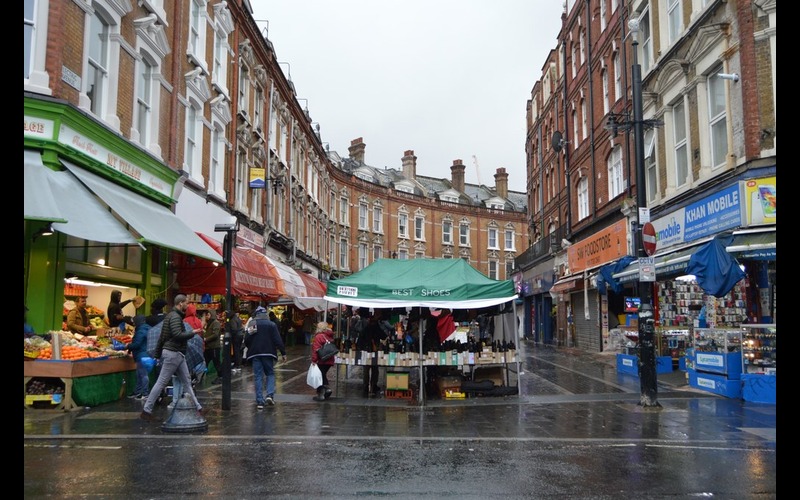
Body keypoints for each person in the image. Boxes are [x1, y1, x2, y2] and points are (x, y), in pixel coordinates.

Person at [140, 294, 206, 421]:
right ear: (180, 303)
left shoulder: (170, 316)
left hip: (177, 353)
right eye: (186, 303)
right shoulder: (175, 317)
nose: (187, 305)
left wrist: (158, 355)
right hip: (174, 353)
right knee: (162, 382)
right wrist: (192, 332)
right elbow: (177, 334)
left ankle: (199, 408)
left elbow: (162, 338)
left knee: (186, 381)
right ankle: (146, 410)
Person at [244, 307, 287, 409]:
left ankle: (259, 401)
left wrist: (252, 347)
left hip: (255, 353)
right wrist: (283, 353)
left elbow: (247, 339)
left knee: (258, 376)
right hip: (269, 353)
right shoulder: (271, 325)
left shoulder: (253, 324)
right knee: (270, 374)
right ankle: (270, 395)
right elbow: (278, 340)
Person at [358, 310, 388, 397]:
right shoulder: (377, 328)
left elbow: (360, 340)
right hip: (374, 351)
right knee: (374, 369)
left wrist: (361, 348)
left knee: (366, 370)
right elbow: (384, 336)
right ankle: (373, 386)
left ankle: (365, 386)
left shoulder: (365, 329)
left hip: (366, 351)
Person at [126, 315, 151, 400]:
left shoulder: (141, 331)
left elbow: (137, 344)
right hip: (147, 354)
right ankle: (137, 392)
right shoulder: (148, 328)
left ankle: (145, 393)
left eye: (134, 322)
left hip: (142, 355)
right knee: (139, 374)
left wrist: (127, 346)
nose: (133, 323)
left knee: (143, 375)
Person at [310, 321, 336, 401]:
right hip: (329, 359)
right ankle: (323, 392)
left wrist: (314, 360)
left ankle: (325, 391)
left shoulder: (319, 336)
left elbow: (316, 349)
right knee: (322, 375)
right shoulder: (328, 335)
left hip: (322, 359)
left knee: (320, 376)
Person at [202, 309, 223, 384]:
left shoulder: (215, 323)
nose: (207, 316)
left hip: (214, 347)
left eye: (208, 315)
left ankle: (220, 377)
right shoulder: (209, 323)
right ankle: (201, 376)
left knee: (216, 362)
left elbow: (215, 334)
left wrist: (206, 339)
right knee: (205, 362)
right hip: (208, 347)